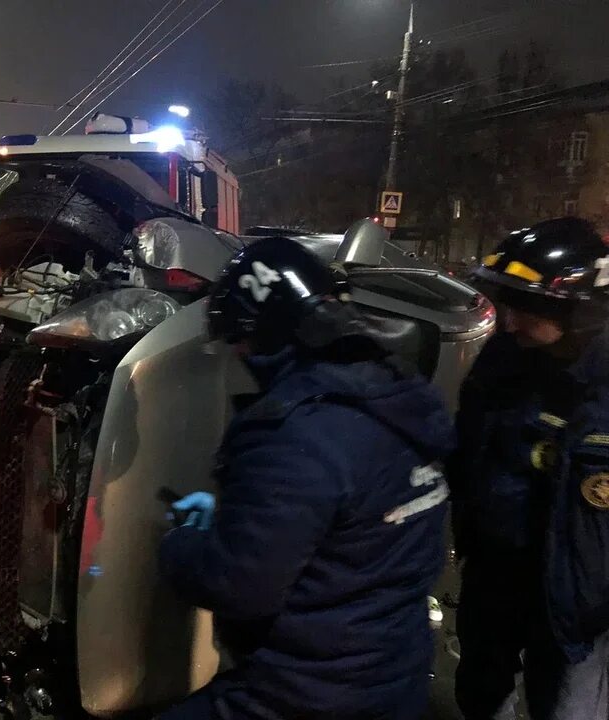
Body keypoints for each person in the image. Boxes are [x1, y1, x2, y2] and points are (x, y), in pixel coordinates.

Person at [158, 237, 455, 720]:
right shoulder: (395, 397)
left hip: (308, 692)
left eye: (241, 337)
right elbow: (346, 529)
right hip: (393, 673)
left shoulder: (293, 433)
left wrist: (181, 546)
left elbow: (239, 586)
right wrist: (233, 520)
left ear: (269, 335)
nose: (238, 352)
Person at [451, 217, 609, 720]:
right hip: (496, 577)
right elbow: (469, 444)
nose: (508, 321)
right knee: (480, 696)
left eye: (525, 307)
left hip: (576, 607)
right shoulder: (504, 358)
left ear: (578, 311)